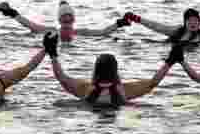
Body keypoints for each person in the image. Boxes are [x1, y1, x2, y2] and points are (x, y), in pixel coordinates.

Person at [43, 31, 179, 106]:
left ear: (96, 69)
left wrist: (52, 53)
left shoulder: (85, 88)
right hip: (120, 111)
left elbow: (62, 78)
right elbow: (153, 82)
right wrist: (170, 61)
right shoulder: (125, 89)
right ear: (115, 70)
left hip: (87, 110)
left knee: (60, 104)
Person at [3, 0, 135, 42]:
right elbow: (30, 25)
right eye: (64, 17)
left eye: (69, 17)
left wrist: (119, 23)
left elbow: (102, 32)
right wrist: (13, 14)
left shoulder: (82, 32)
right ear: (59, 20)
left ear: (73, 20)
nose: (67, 19)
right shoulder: (51, 31)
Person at [128, 7, 200, 45]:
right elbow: (157, 27)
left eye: (196, 20)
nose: (193, 23)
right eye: (190, 21)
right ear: (184, 22)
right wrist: (138, 19)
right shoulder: (176, 31)